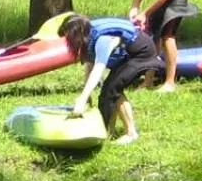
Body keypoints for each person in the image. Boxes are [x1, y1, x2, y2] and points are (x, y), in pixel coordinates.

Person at [62, 14, 163, 145]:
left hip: (141, 53)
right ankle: (108, 131)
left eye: (69, 37)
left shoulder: (103, 39)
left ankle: (131, 133)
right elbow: (90, 65)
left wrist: (82, 98)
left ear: (78, 33)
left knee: (112, 88)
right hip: (131, 54)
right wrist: (87, 97)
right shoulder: (89, 35)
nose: (69, 42)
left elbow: (98, 69)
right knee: (108, 92)